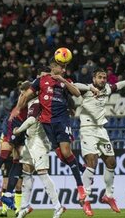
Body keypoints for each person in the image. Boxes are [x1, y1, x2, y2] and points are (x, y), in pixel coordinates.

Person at [10, 58, 86, 206]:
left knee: (66, 151)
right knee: (60, 154)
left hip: (62, 120)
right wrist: (19, 107)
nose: (64, 70)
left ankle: (80, 187)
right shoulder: (41, 81)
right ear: (53, 66)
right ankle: (80, 168)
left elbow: (77, 93)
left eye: (65, 67)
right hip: (47, 123)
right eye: (61, 67)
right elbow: (27, 94)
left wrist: (62, 79)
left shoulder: (64, 80)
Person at [74, 68, 125, 216]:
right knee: (92, 161)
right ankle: (85, 199)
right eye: (100, 77)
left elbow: (118, 85)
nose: (102, 80)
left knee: (111, 162)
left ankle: (108, 196)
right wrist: (89, 87)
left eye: (104, 77)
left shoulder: (106, 89)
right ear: (94, 78)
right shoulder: (87, 90)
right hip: (87, 129)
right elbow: (74, 85)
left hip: (101, 129)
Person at [13, 69, 65, 218]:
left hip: (39, 142)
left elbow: (30, 121)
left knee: (42, 173)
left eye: (22, 93)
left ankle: (57, 206)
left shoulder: (36, 103)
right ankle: (25, 207)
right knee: (26, 171)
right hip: (30, 141)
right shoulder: (31, 102)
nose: (21, 95)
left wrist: (18, 131)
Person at [0, 82, 31, 214]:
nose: (21, 94)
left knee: (18, 160)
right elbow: (17, 110)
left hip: (24, 128)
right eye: (20, 91)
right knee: (4, 154)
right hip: (13, 125)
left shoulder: (33, 98)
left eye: (22, 91)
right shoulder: (24, 98)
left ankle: (8, 195)